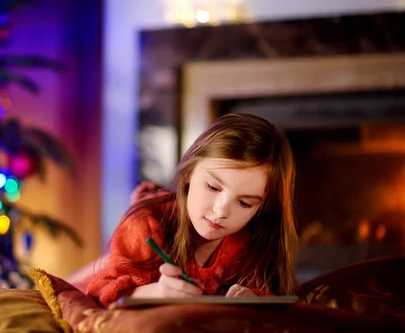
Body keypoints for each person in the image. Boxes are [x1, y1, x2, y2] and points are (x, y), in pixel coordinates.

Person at [86, 113, 299, 307]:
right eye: (213, 187)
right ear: (188, 174)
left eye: (244, 203)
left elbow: (279, 300)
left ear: (262, 208)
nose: (221, 210)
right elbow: (100, 294)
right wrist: (157, 292)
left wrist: (255, 304)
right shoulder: (147, 222)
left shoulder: (255, 240)